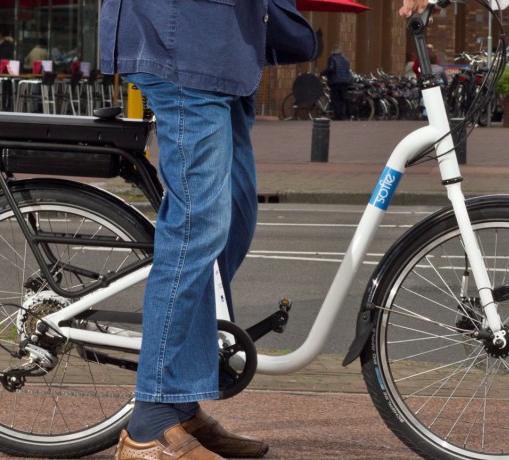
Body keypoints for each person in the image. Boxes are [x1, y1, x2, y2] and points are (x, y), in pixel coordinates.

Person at [99, 0, 427, 458]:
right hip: (180, 45)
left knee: (233, 221)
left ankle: (179, 405)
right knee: (198, 227)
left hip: (220, 54)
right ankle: (150, 423)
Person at [320, 44, 352, 120]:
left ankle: (339, 117)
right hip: (345, 82)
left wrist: (322, 73)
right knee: (343, 99)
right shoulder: (346, 59)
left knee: (335, 100)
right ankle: (344, 116)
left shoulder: (332, 58)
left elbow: (331, 68)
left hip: (335, 82)